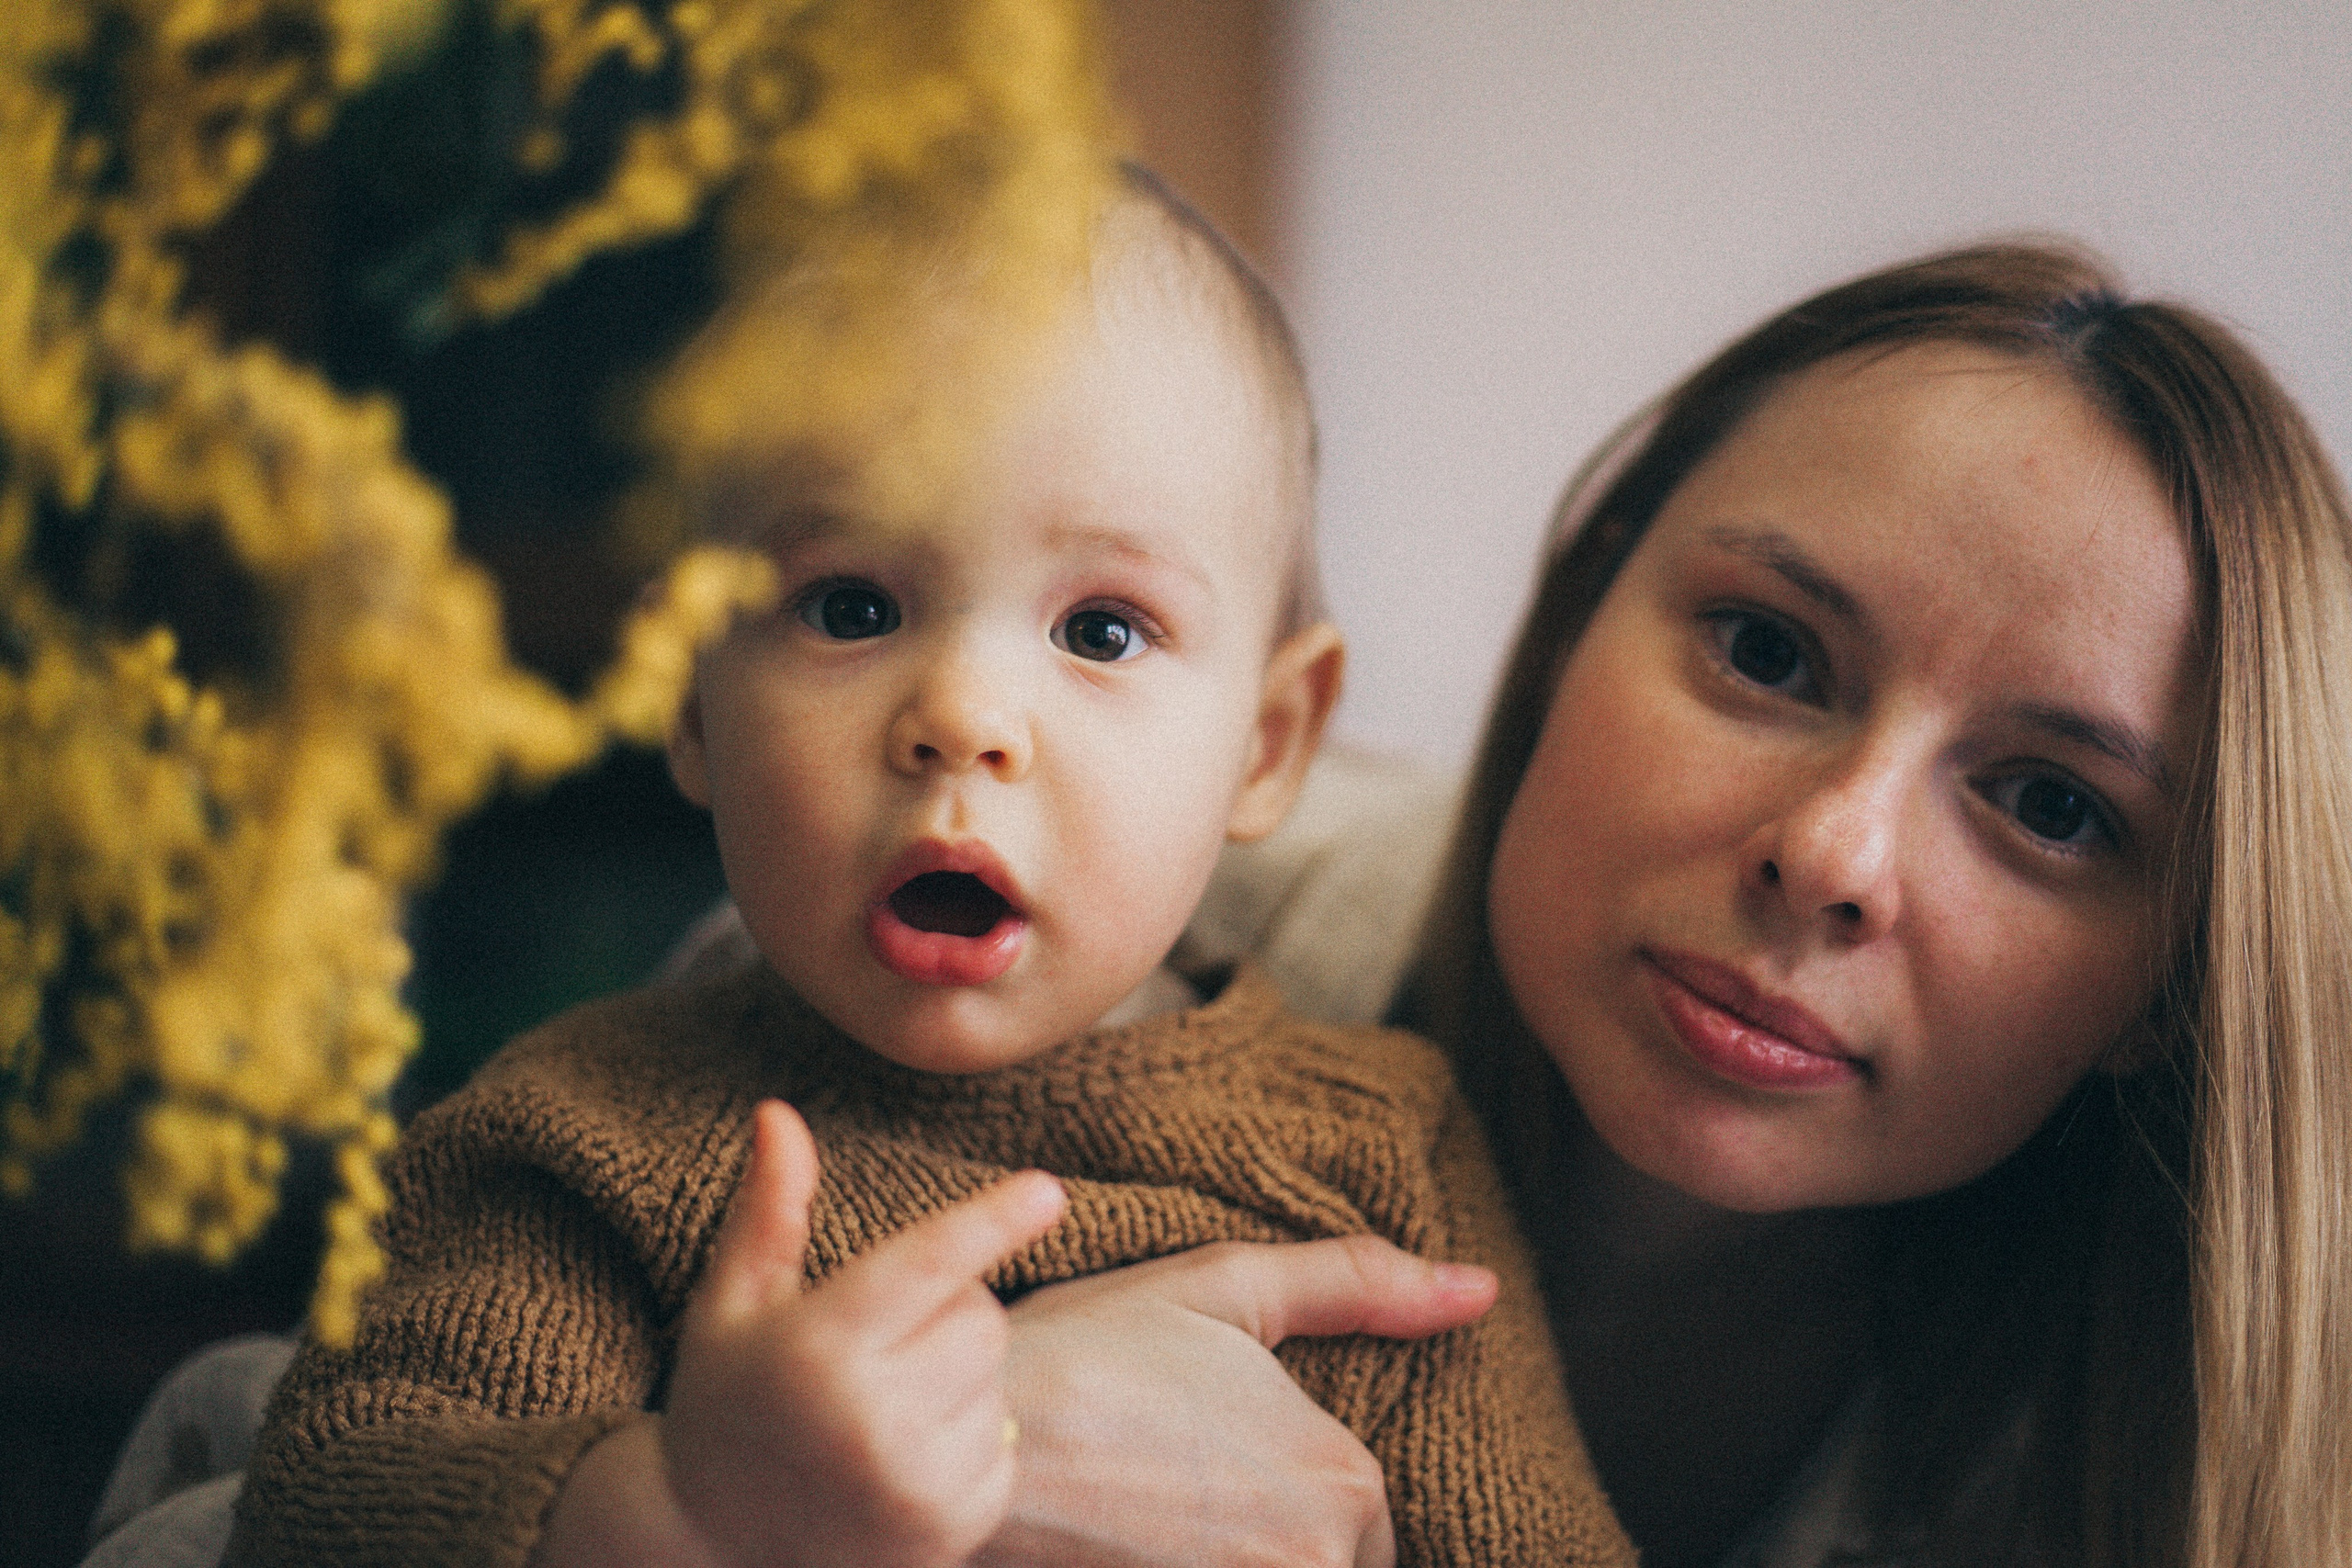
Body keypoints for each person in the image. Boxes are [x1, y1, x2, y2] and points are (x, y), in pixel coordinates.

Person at [221, 175, 1634, 1568]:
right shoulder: (585, 1134)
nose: (961, 715)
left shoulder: (1385, 1147)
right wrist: (685, 1515)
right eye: (851, 607)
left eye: (1101, 631)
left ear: (1267, 745)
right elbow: (318, 1508)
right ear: (692, 702)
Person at [907, 241, 2349, 1568]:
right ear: (1574, 619)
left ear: (2175, 986)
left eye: (2050, 807)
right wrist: (868, 1480)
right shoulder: (1004, 900)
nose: (1832, 856)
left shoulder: (2173, 1492)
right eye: (1766, 652)